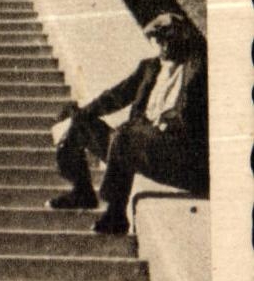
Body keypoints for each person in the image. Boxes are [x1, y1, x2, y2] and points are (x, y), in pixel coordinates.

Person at [46, 13, 207, 235]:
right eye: (158, 39)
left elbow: (199, 115)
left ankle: (116, 215)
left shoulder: (196, 69)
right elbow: (115, 96)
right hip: (137, 145)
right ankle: (82, 191)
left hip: (177, 154)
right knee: (76, 118)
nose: (164, 45)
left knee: (126, 136)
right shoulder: (150, 68)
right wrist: (77, 116)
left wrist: (170, 122)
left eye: (169, 38)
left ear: (183, 37)